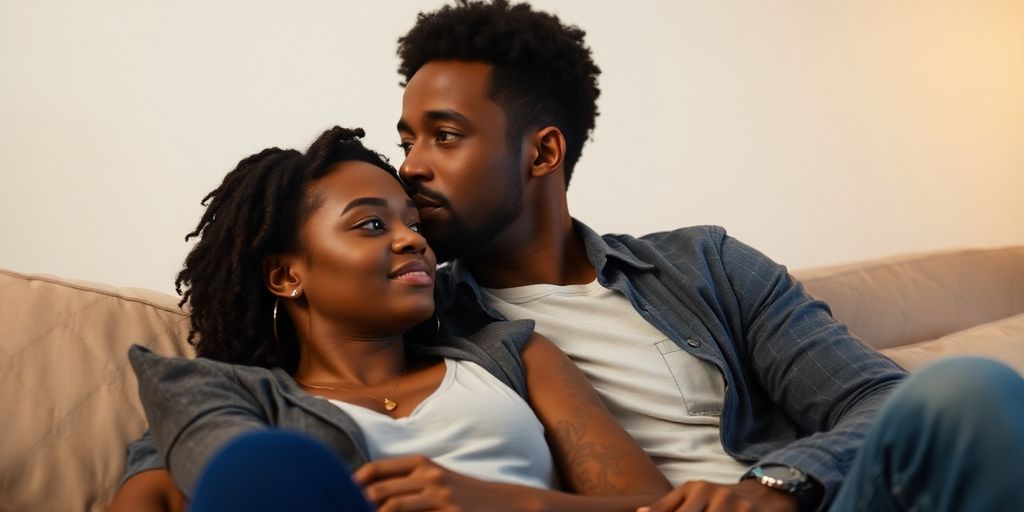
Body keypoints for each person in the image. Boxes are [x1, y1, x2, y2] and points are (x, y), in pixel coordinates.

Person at [115, 1, 1024, 511]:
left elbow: (879, 399)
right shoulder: (430, 318)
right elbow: (233, 418)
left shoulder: (704, 267)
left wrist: (778, 486)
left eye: (443, 137)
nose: (413, 167)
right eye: (406, 139)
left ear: (542, 153)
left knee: (971, 393)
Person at [108, 126, 671, 511]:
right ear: (285, 275)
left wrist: (501, 502)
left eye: (415, 225)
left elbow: (653, 506)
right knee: (266, 461)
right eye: (372, 225)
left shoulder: (512, 357)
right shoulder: (224, 401)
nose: (413, 241)